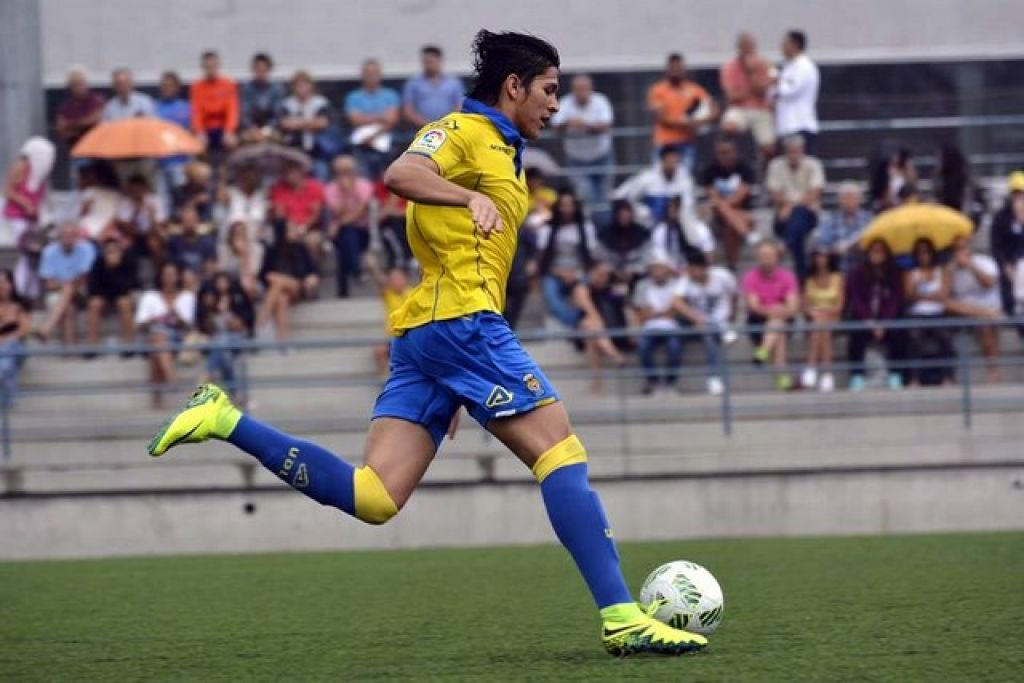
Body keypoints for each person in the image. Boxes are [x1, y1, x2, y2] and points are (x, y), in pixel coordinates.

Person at [147, 29, 708, 657]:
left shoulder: (505, 148)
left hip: (435, 335)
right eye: (549, 90)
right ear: (514, 86)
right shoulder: (463, 132)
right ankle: (622, 616)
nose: (556, 103)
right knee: (560, 453)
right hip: (462, 323)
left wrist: (456, 381)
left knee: (374, 495)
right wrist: (469, 197)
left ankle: (223, 418)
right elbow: (401, 173)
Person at [536, 191, 625, 391]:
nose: (567, 209)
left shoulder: (585, 228)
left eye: (570, 205)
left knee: (583, 302)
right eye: (564, 205)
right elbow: (543, 261)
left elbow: (591, 258)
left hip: (580, 272)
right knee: (554, 296)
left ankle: (583, 326)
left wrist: (580, 273)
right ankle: (583, 326)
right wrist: (562, 272)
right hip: (555, 271)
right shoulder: (548, 229)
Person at [672, 248, 736, 395]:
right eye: (689, 269)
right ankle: (713, 377)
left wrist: (732, 315)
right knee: (704, 331)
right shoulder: (686, 280)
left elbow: (734, 295)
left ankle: (713, 377)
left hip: (719, 320)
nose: (690, 273)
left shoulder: (722, 276)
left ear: (703, 268)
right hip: (698, 322)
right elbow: (675, 302)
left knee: (709, 334)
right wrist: (696, 318)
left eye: (693, 269)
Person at [845, 240, 907, 391]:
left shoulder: (894, 273)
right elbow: (857, 299)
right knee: (855, 334)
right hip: (865, 320)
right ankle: (857, 376)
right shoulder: (858, 273)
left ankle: (896, 375)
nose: (876, 255)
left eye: (880, 251)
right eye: (873, 251)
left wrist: (884, 323)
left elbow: (895, 300)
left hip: (886, 321)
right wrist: (869, 322)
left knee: (900, 333)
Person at [765, 134, 824, 282]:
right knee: (798, 231)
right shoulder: (775, 166)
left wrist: (790, 206)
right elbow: (775, 195)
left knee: (800, 216)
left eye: (797, 151)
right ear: (785, 152)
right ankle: (801, 278)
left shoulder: (814, 165)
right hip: (782, 218)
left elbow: (814, 194)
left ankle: (784, 246)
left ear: (802, 150)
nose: (794, 155)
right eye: (790, 151)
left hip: (808, 215)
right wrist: (792, 205)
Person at [136, 262, 195, 407]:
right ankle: (171, 379)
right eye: (166, 275)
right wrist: (153, 319)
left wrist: (177, 316)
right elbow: (139, 325)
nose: (169, 278)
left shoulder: (187, 296)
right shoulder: (150, 296)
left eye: (173, 275)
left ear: (178, 277)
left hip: (177, 337)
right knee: (157, 338)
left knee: (156, 346)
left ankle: (156, 397)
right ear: (161, 277)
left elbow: (189, 326)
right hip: (152, 334)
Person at [742, 240, 799, 391]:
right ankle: (782, 378)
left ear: (777, 257)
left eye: (768, 256)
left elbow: (793, 306)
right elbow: (753, 306)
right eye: (762, 256)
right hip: (758, 320)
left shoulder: (787, 277)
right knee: (779, 328)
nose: (765, 260)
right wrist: (772, 311)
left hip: (783, 317)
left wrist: (780, 310)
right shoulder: (750, 277)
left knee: (778, 323)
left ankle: (763, 351)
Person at [2, 138, 55, 299]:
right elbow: (8, 191)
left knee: (34, 255)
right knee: (27, 251)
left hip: (32, 219)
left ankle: (30, 291)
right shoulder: (21, 167)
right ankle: (21, 290)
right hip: (17, 216)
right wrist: (24, 203)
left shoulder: (41, 173)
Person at [551, 74, 614, 205]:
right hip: (576, 158)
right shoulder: (565, 102)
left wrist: (584, 124)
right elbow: (555, 125)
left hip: (601, 156)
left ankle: (602, 218)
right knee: (584, 195)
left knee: (604, 196)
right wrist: (568, 123)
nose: (582, 92)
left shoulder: (600, 101)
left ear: (591, 88)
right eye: (578, 89)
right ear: (573, 89)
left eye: (584, 88)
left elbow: (606, 125)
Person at [946, 237, 1002, 382]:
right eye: (956, 250)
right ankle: (985, 314)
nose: (960, 252)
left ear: (969, 248)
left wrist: (971, 266)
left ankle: (993, 371)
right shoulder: (950, 268)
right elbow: (945, 297)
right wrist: (948, 273)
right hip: (964, 310)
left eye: (962, 248)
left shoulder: (985, 261)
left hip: (987, 305)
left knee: (985, 324)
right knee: (949, 305)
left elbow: (989, 283)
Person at [646, 53, 714, 170]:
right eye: (673, 68)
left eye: (679, 67)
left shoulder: (694, 89)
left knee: (684, 176)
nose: (676, 71)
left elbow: (713, 108)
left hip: (686, 143)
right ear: (667, 69)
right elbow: (661, 118)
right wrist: (686, 123)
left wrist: (702, 121)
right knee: (661, 177)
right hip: (664, 143)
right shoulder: (658, 90)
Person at [256, 221, 320, 344]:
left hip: (299, 286)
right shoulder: (272, 251)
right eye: (290, 229)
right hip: (279, 290)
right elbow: (263, 275)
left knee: (279, 281)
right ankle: (283, 342)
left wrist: (312, 278)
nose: (295, 231)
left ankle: (261, 322)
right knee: (281, 299)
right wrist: (270, 277)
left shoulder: (301, 248)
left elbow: (313, 271)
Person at [699, 136, 757, 270]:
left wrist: (723, 205)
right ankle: (746, 233)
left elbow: (740, 196)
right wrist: (721, 205)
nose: (724, 156)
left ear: (735, 152)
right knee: (723, 210)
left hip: (742, 211)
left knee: (730, 226)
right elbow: (713, 196)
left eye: (727, 152)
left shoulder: (745, 168)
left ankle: (732, 265)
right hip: (719, 215)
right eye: (721, 153)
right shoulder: (709, 170)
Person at [37, 222, 97, 346]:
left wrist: (65, 284)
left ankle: (47, 326)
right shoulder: (49, 252)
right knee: (68, 310)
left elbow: (83, 279)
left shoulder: (87, 249)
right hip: (57, 293)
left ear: (77, 237)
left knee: (69, 288)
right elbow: (48, 284)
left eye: (72, 236)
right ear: (59, 237)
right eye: (65, 235)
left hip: (82, 291)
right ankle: (71, 352)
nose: (68, 239)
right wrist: (66, 285)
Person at [197, 272, 253, 404]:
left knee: (220, 343)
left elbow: (243, 324)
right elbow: (207, 328)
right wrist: (210, 309)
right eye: (219, 282)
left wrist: (229, 316)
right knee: (224, 354)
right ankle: (235, 394)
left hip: (236, 337)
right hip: (218, 340)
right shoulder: (210, 302)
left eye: (225, 281)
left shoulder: (237, 298)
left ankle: (207, 375)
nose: (222, 285)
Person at [904, 239, 954, 387]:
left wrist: (922, 295)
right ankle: (914, 378)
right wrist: (919, 287)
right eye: (920, 253)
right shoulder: (911, 274)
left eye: (926, 252)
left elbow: (944, 294)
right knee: (914, 338)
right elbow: (909, 296)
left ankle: (947, 377)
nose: (923, 256)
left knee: (945, 337)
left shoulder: (942, 271)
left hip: (938, 312)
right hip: (918, 313)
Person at [632, 250, 682, 394]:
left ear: (667, 270)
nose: (658, 272)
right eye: (654, 269)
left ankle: (669, 383)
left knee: (675, 347)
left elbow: (677, 310)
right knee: (643, 346)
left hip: (672, 327)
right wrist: (658, 313)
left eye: (661, 269)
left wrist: (656, 313)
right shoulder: (642, 286)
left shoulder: (677, 284)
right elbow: (641, 312)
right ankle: (652, 382)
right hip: (649, 327)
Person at [719, 32, 775, 162]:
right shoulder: (729, 67)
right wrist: (751, 91)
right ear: (740, 48)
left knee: (769, 148)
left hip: (760, 108)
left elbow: (762, 91)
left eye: (752, 47)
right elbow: (732, 96)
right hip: (739, 109)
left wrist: (752, 73)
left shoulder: (763, 64)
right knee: (728, 127)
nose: (750, 51)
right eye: (747, 47)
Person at [325, 155, 373, 298]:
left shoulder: (364, 185)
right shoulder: (330, 189)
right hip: (340, 233)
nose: (345, 176)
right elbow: (337, 212)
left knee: (347, 237)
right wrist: (345, 194)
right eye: (341, 172)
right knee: (346, 236)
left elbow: (361, 211)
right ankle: (356, 270)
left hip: (362, 231)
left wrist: (352, 191)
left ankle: (344, 288)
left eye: (348, 171)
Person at [612, 145, 698, 225]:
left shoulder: (685, 178)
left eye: (675, 162)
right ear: (663, 161)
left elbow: (688, 203)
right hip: (649, 223)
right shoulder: (648, 177)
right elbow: (622, 195)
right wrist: (641, 211)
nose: (673, 166)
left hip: (675, 224)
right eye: (670, 161)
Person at [345, 59, 400, 180]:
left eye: (374, 73)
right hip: (360, 140)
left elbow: (391, 120)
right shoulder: (353, 97)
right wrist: (380, 117)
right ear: (362, 75)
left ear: (380, 75)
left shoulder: (391, 95)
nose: (371, 77)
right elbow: (354, 120)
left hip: (384, 138)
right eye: (368, 73)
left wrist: (373, 135)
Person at [801, 245, 844, 392]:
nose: (821, 259)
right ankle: (827, 374)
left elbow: (839, 305)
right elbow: (805, 305)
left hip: (833, 316)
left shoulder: (838, 278)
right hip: (816, 317)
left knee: (822, 324)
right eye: (818, 256)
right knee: (822, 328)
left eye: (823, 256)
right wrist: (814, 313)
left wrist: (826, 313)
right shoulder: (809, 279)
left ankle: (811, 366)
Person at [86, 238, 140, 351]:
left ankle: (128, 345)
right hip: (105, 296)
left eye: (115, 251)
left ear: (120, 251)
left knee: (124, 302)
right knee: (94, 304)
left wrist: (113, 271)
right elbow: (92, 289)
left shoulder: (128, 262)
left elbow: (128, 286)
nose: (112, 254)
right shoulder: (98, 263)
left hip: (123, 295)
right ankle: (92, 346)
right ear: (104, 253)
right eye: (109, 252)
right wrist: (109, 269)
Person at [54, 66, 105, 185]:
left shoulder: (96, 100)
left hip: (97, 154)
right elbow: (61, 131)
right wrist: (84, 126)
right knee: (79, 187)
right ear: (69, 87)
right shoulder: (65, 107)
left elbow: (95, 120)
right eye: (75, 84)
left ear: (87, 84)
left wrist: (71, 125)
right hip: (77, 153)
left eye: (81, 83)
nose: (78, 88)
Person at [278, 71, 332, 181]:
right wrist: (310, 122)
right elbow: (285, 124)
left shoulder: (320, 103)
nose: (301, 88)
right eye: (298, 85)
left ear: (311, 86)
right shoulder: (287, 104)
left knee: (321, 173)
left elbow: (322, 123)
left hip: (317, 151)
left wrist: (297, 122)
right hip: (293, 151)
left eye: (304, 85)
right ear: (293, 87)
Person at [269, 162, 325, 267]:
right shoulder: (279, 188)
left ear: (301, 172)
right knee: (285, 239)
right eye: (286, 172)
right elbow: (279, 213)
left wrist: (303, 228)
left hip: (310, 228)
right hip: (288, 227)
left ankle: (312, 272)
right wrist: (291, 227)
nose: (289, 175)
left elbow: (316, 214)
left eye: (292, 172)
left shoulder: (315, 187)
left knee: (312, 241)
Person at [364, 251, 410, 380]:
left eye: (398, 278)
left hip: (410, 336)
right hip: (394, 338)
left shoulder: (414, 292)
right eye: (392, 279)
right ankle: (387, 380)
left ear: (405, 278)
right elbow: (379, 279)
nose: (395, 281)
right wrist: (373, 266)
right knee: (379, 350)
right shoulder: (388, 294)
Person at [774, 30, 819, 151]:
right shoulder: (789, 66)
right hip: (787, 126)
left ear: (794, 45)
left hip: (799, 124)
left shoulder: (803, 66)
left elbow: (790, 90)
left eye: (785, 43)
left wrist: (775, 82)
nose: (781, 47)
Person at [190, 50, 240, 156]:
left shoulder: (228, 84)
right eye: (207, 66)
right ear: (203, 67)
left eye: (213, 66)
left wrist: (229, 131)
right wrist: (200, 132)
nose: (211, 69)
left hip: (223, 127)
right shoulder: (197, 87)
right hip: (206, 128)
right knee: (197, 145)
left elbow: (232, 110)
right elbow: (196, 112)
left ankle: (229, 166)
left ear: (218, 66)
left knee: (232, 142)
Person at [154, 71, 192, 208]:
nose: (166, 88)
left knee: (181, 200)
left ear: (177, 88)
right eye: (164, 85)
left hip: (180, 162)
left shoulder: (186, 108)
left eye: (170, 86)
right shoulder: (153, 108)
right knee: (162, 203)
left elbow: (191, 134)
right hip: (159, 163)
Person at [402, 45, 463, 127]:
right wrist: (428, 125)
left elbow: (459, 106)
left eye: (430, 62)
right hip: (420, 128)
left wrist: (445, 123)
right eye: (425, 62)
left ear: (439, 61)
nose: (427, 65)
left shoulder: (454, 83)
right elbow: (408, 111)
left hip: (448, 127)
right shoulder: (413, 83)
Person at [817, 181, 871, 274]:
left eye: (853, 198)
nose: (849, 202)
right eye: (845, 198)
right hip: (837, 270)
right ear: (839, 200)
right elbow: (822, 246)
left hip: (863, 268)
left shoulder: (869, 218)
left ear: (859, 200)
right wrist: (836, 249)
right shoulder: (830, 220)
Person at [597, 200, 650, 293]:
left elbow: (646, 259)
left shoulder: (642, 234)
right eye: (621, 215)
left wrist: (632, 270)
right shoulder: (605, 234)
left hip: (637, 274)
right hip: (612, 275)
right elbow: (601, 258)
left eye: (627, 215)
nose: (624, 218)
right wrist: (615, 272)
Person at [650, 195, 714, 269]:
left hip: (694, 269)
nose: (671, 211)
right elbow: (658, 258)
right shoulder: (661, 230)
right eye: (670, 208)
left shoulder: (700, 229)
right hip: (669, 271)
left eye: (676, 208)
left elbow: (710, 257)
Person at [990, 176, 1024, 317]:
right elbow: (996, 245)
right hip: (1007, 265)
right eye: (1016, 194)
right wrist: (1005, 265)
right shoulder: (1001, 217)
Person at [0, 269, 31, 408]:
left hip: (16, 347)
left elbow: (24, 330)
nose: (1, 285)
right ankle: (6, 403)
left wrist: (5, 338)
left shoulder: (19, 306)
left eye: (4, 281)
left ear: (11, 284)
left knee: (8, 349)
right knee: (6, 365)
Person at [166, 205, 218, 288]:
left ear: (197, 221)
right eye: (187, 220)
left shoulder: (207, 242)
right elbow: (171, 267)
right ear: (182, 222)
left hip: (202, 284)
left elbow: (210, 268)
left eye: (192, 220)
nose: (189, 223)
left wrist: (198, 281)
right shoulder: (174, 242)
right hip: (180, 284)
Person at [240, 53, 286, 144]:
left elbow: (277, 114)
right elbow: (245, 114)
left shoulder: (277, 89)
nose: (261, 73)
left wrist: (265, 131)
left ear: (269, 70)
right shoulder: (246, 89)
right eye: (258, 70)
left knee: (278, 138)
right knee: (243, 138)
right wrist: (252, 129)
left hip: (271, 129)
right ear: (253, 70)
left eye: (264, 70)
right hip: (251, 129)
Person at [218, 220, 264, 299]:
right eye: (236, 234)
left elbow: (252, 275)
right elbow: (223, 271)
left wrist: (244, 255)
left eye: (242, 233)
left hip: (251, 282)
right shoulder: (224, 250)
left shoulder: (257, 249)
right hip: (230, 283)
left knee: (248, 285)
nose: (239, 237)